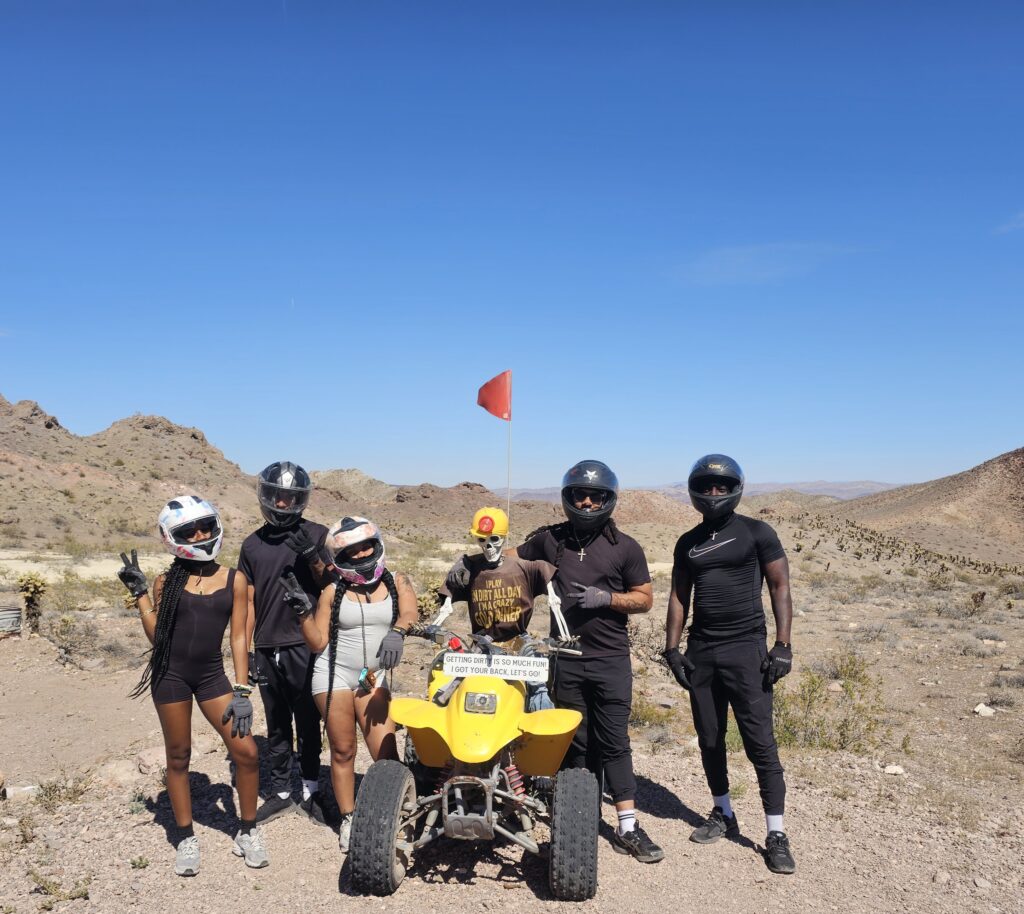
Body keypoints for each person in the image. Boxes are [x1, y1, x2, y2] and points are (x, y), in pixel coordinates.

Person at [514, 460, 664, 863]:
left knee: (614, 741)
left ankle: (628, 826)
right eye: (579, 494)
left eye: (596, 496)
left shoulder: (625, 547)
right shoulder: (549, 540)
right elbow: (509, 564)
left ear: (608, 500)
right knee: (575, 742)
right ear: (567, 497)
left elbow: (645, 599)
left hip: (610, 659)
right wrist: (471, 568)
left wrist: (607, 599)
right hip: (566, 658)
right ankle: (577, 817)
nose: (586, 501)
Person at [117, 496, 267, 876]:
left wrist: (243, 690)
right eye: (189, 531)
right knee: (179, 756)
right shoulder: (167, 580)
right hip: (170, 676)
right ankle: (185, 836)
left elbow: (238, 638)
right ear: (173, 537)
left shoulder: (235, 578)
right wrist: (141, 596)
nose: (200, 535)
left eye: (205, 527)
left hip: (211, 676)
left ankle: (247, 830)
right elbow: (159, 639)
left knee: (246, 752)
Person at [663, 454, 796, 875]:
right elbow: (679, 597)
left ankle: (775, 833)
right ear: (695, 491)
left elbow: (780, 586)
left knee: (761, 744)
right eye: (706, 486)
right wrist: (671, 649)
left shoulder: (757, 532)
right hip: (702, 650)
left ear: (736, 488)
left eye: (722, 486)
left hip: (747, 650)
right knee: (709, 739)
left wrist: (783, 645)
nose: (714, 492)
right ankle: (723, 812)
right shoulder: (688, 542)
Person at [289, 516, 418, 851]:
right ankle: (349, 818)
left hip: (374, 677)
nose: (361, 554)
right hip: (333, 674)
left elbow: (409, 613)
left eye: (366, 546)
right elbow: (317, 643)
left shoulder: (395, 581)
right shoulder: (333, 590)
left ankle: (400, 813)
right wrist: (303, 616)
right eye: (352, 550)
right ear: (339, 556)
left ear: (377, 544)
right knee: (343, 750)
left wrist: (398, 633)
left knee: (386, 753)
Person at [238, 461, 330, 824]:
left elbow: (330, 584)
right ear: (265, 496)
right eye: (277, 497)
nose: (282, 505)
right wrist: (246, 651)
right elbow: (246, 600)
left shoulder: (318, 534)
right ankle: (279, 792)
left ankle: (310, 789)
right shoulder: (251, 544)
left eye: (290, 498)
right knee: (276, 725)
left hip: (303, 643)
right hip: (265, 645)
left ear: (301, 500)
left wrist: (312, 555)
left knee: (308, 721)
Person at [440, 506, 568, 711]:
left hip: (518, 640)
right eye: (482, 540)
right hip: (481, 643)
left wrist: (563, 632)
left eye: (494, 540)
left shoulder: (523, 567)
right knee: (455, 686)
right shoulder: (470, 571)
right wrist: (464, 561)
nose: (488, 547)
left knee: (537, 685)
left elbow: (549, 583)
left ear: (503, 538)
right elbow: (448, 600)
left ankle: (540, 734)